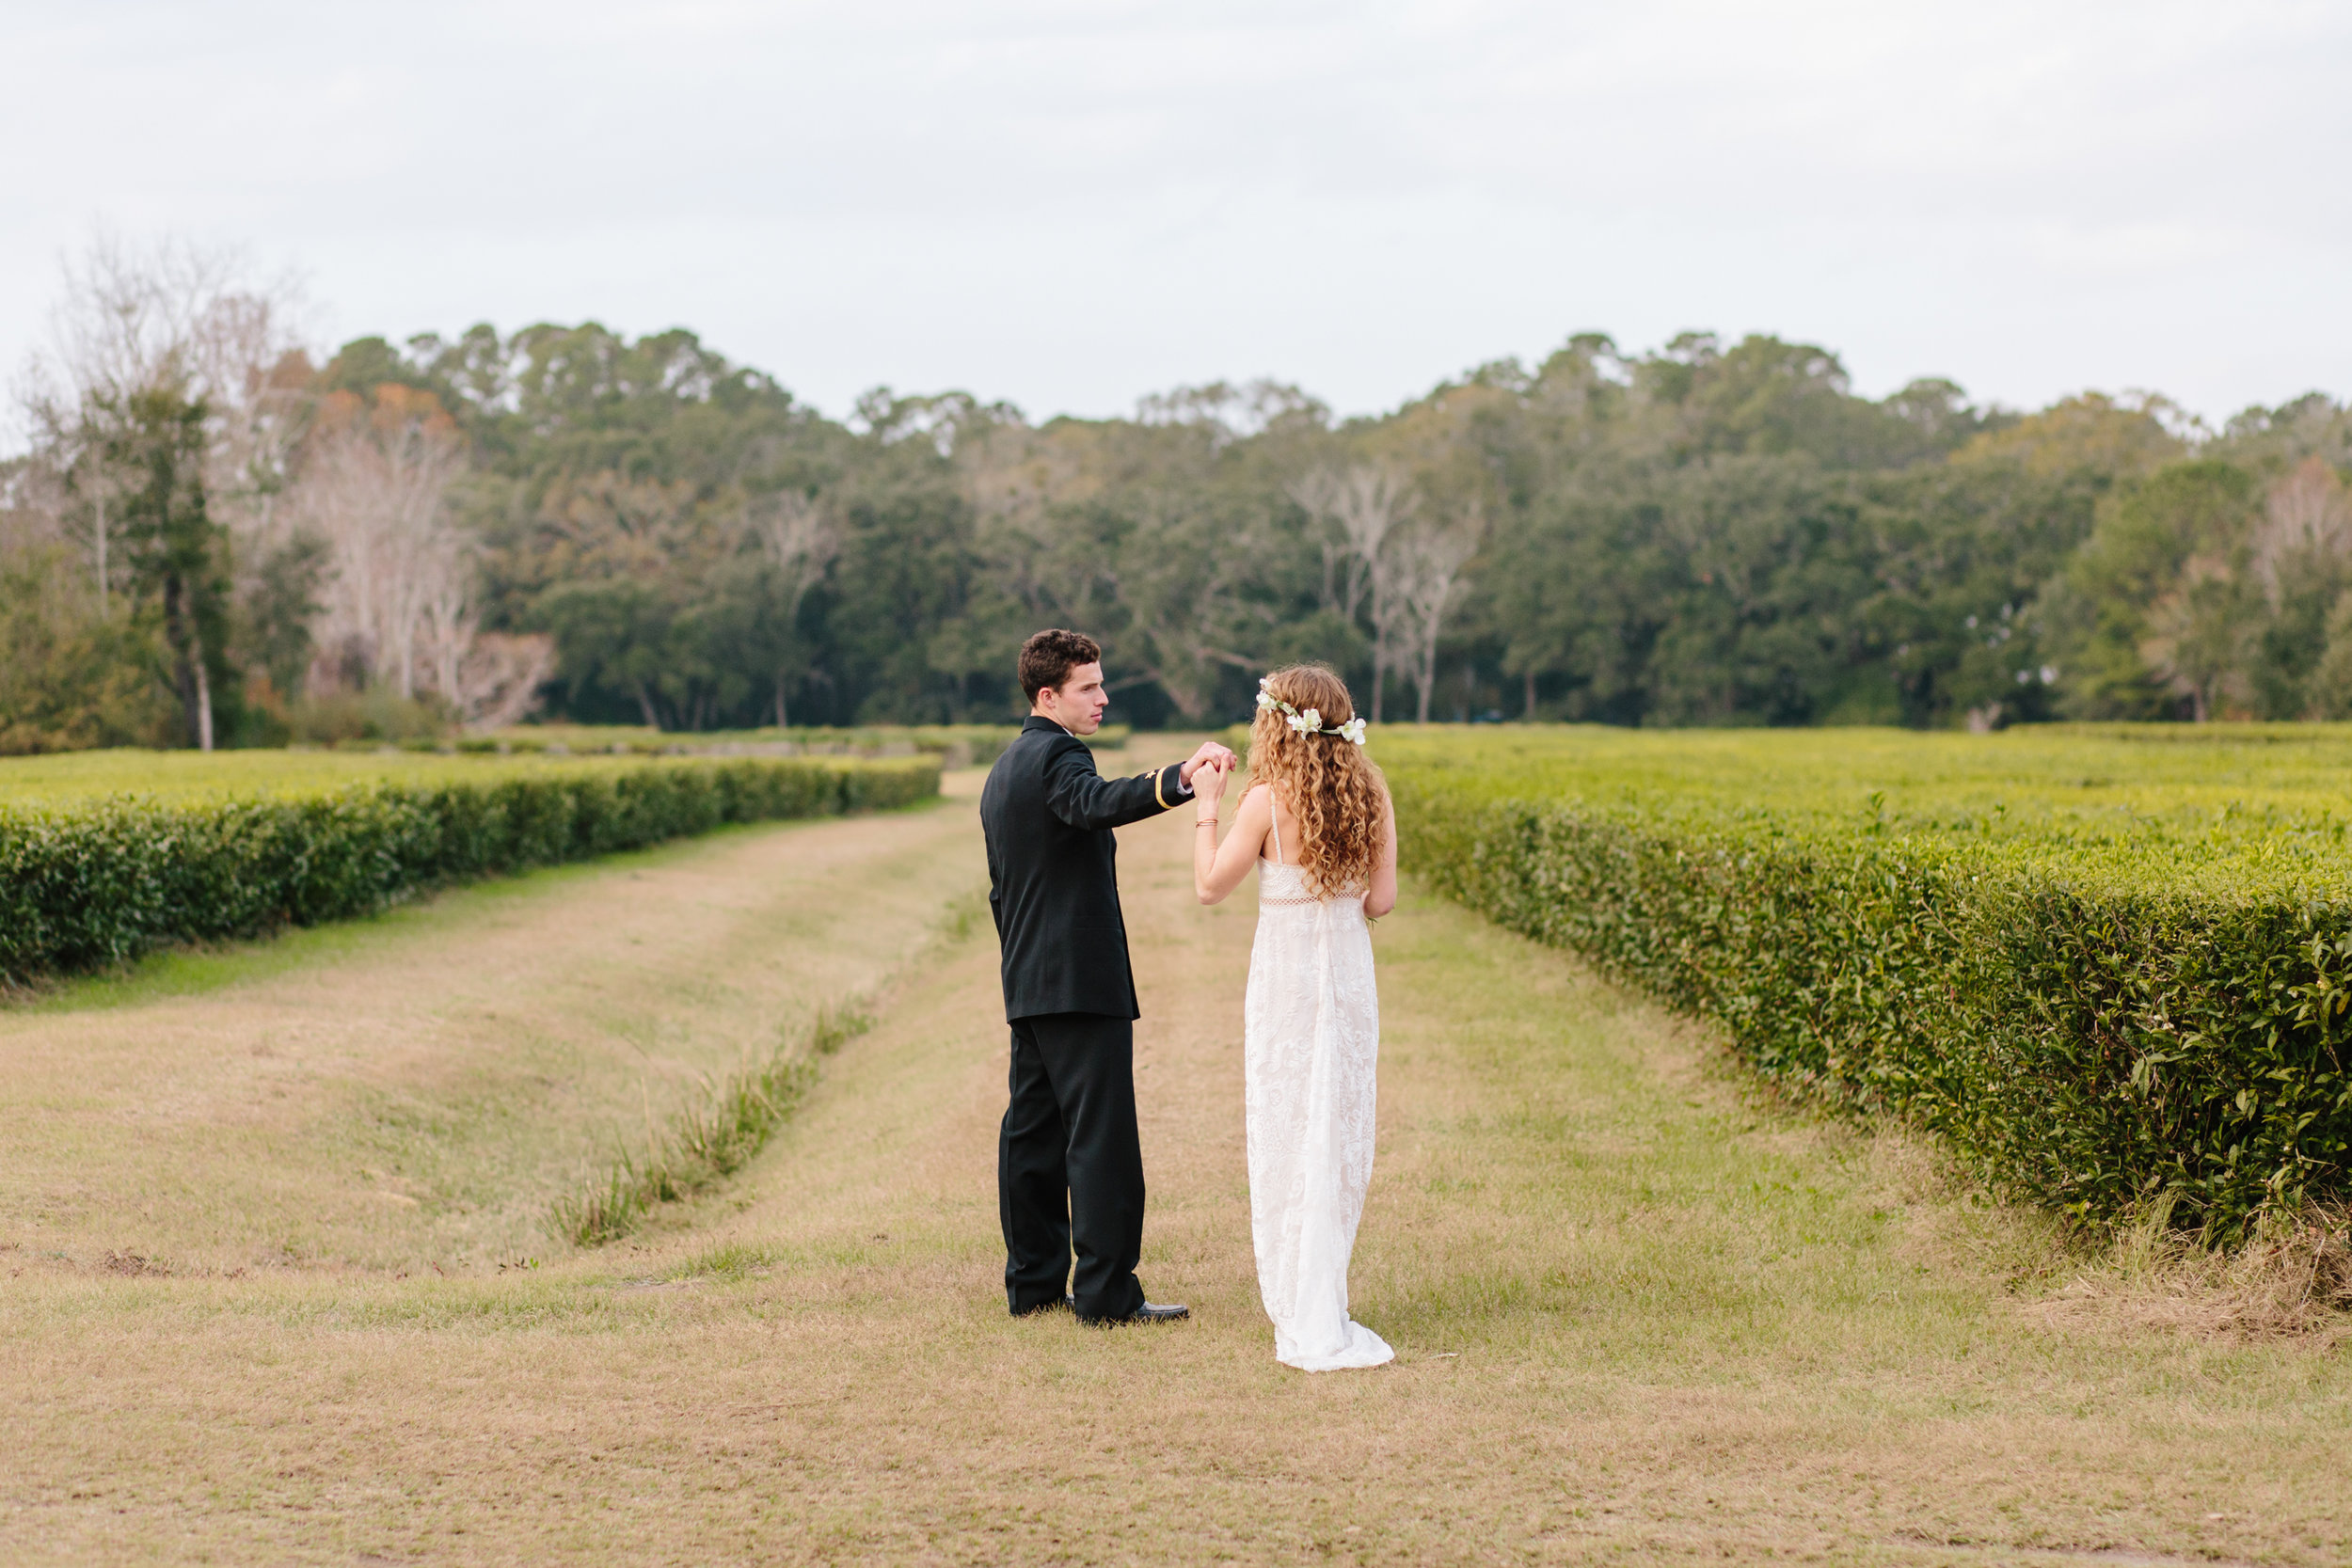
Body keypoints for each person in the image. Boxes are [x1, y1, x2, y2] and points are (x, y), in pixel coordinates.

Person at [980, 628, 1237, 1324]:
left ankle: (1033, 1285)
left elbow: (1003, 891)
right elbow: (1094, 800)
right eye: (1088, 686)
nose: (1103, 696)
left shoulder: (1003, 769)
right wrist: (1181, 779)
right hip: (1079, 982)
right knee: (1100, 1138)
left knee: (1031, 1138)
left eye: (1100, 682)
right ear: (1047, 695)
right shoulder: (1060, 755)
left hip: (1028, 980)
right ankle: (1106, 1294)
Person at [1189, 664, 1398, 1370]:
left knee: (1287, 1122)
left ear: (1275, 722)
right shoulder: (1372, 791)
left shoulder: (1264, 800)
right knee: (1337, 1121)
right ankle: (1325, 1290)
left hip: (1285, 973)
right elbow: (1381, 902)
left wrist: (1208, 806)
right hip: (1345, 974)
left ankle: (1300, 1293)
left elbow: (1209, 886)